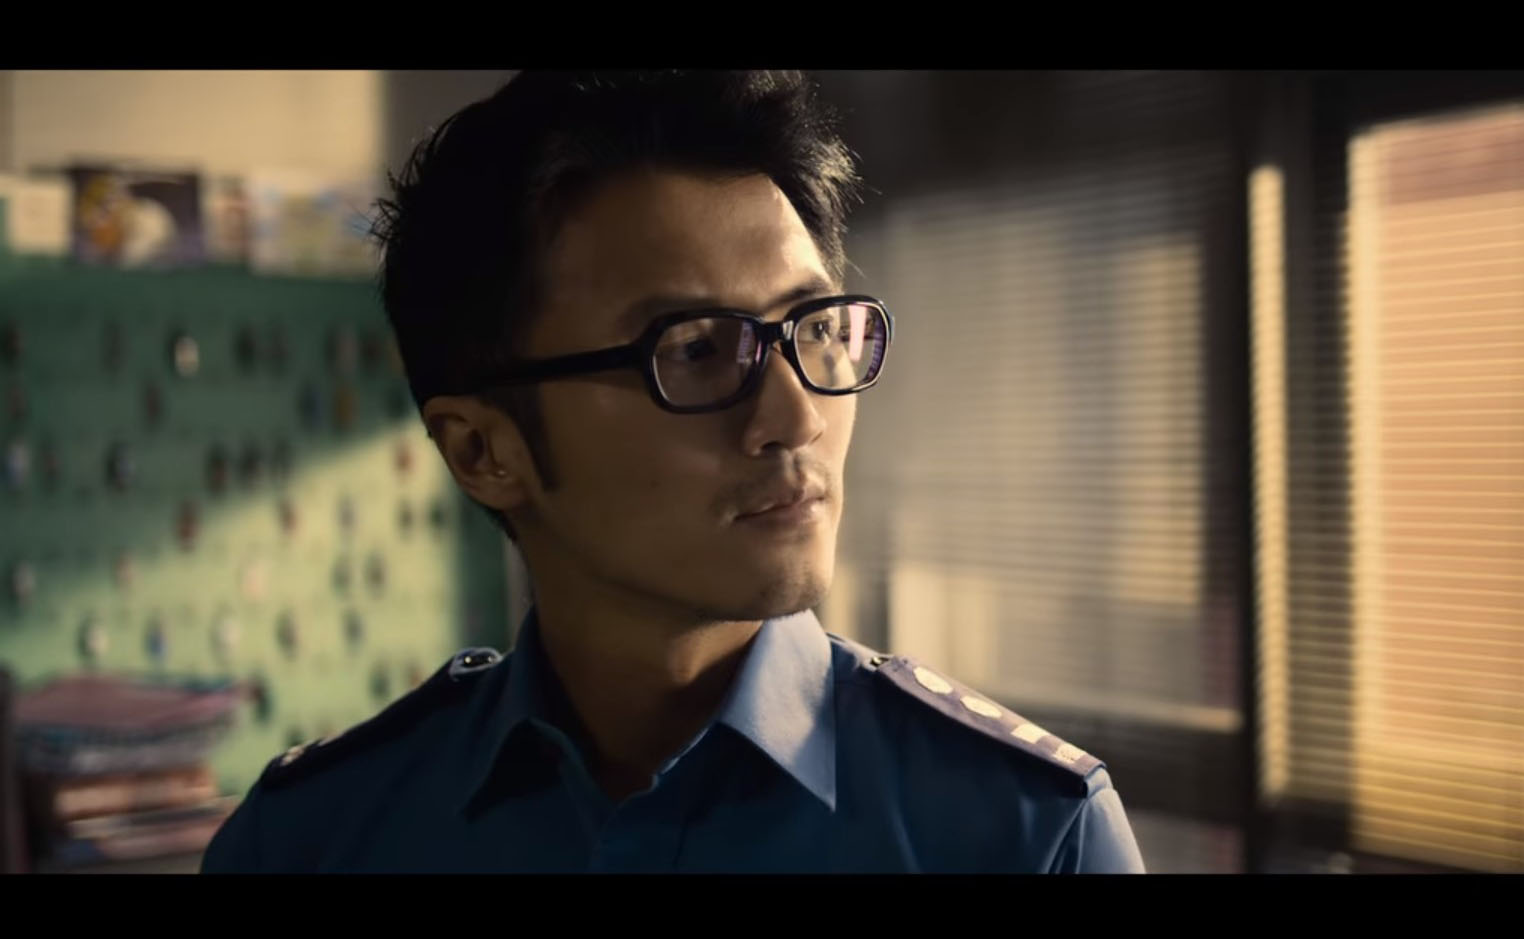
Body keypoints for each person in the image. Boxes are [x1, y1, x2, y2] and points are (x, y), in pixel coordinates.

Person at [200, 70, 1146, 873]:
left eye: (815, 328)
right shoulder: (312, 840)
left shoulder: (1025, 833)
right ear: (483, 451)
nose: (797, 418)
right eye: (695, 350)